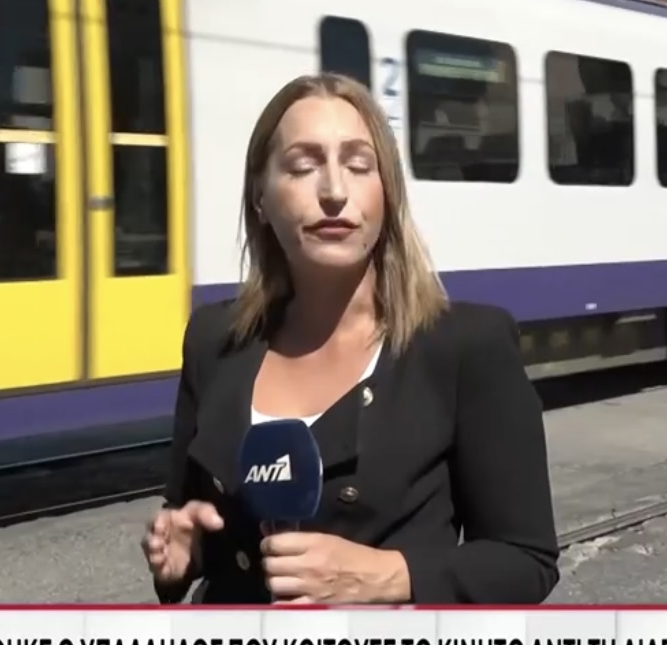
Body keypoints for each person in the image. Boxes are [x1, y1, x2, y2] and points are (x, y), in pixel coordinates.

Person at [142, 72, 559, 606]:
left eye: (359, 166)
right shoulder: (213, 339)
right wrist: (182, 553)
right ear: (260, 196)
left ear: (387, 193)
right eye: (302, 166)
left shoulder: (466, 346)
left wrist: (386, 576)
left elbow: (525, 562)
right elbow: (188, 516)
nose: (335, 191)